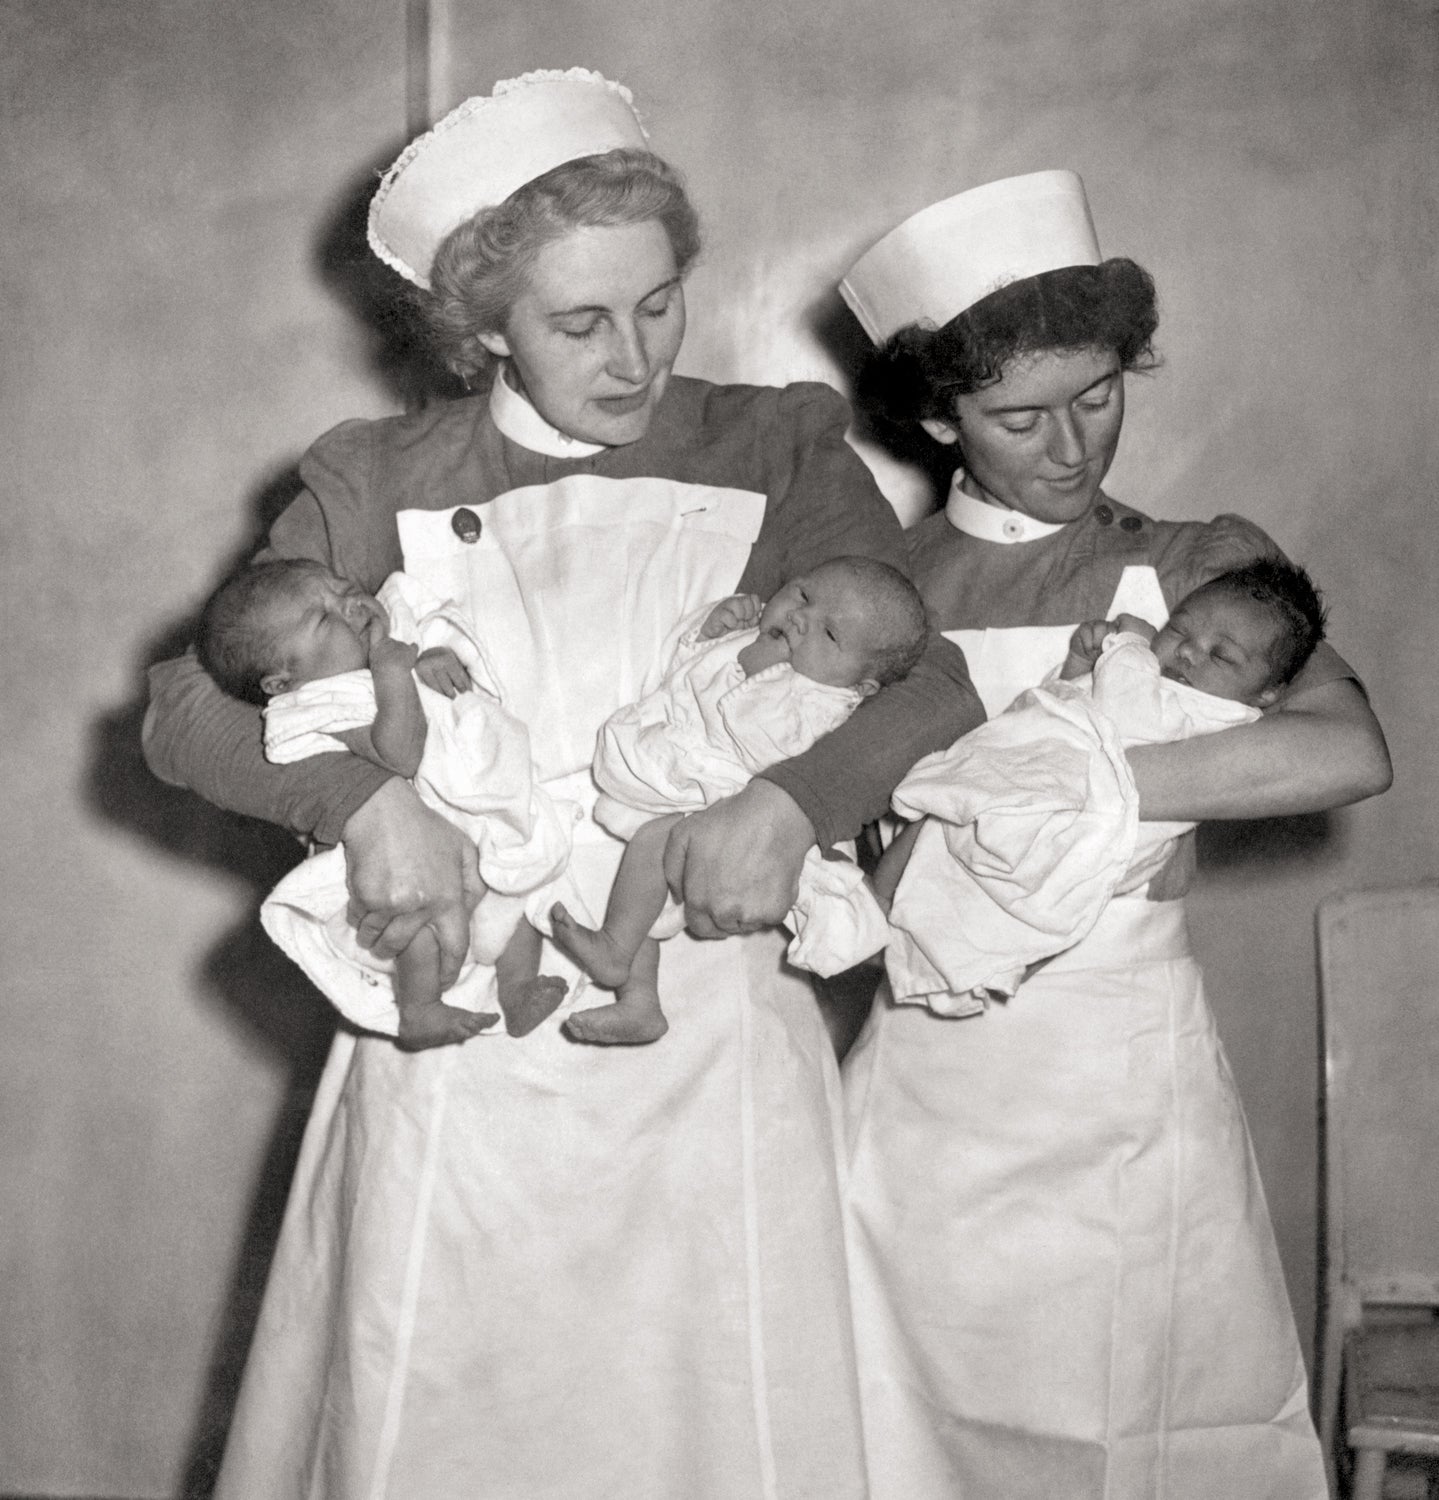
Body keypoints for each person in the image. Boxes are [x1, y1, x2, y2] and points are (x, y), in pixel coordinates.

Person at [142, 69, 981, 1499]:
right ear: (480, 332)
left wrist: (788, 805)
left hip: (711, 1017)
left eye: (658, 303)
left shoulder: (773, 443)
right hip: (463, 1037)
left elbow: (931, 679)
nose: (638, 356)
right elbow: (179, 714)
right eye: (579, 323)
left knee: (726, 1415)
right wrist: (366, 805)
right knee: (448, 1409)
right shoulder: (379, 473)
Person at [836, 170, 1390, 1500]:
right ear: (932, 414)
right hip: (930, 1074)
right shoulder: (875, 591)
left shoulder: (1201, 565)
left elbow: (1342, 750)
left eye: (1097, 394)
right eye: (1018, 416)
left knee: (1147, 1417)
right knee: (896, 1417)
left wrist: (1067, 781)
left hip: (1125, 1073)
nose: (1073, 445)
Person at [879, 556, 1328, 1012]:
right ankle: (891, 916)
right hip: (1056, 810)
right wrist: (1078, 667)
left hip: (1086, 838)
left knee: (974, 853)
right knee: (941, 838)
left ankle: (932, 940)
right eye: (1178, 631)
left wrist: (1131, 643)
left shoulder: (1220, 716)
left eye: (1220, 655)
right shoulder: (1158, 684)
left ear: (1267, 693)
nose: (1188, 652)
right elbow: (1069, 707)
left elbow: (1125, 717)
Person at [195, 558, 573, 1048]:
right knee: (418, 931)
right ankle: (420, 1011)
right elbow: (400, 752)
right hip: (395, 867)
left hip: (467, 820)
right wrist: (395, 671)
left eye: (345, 588)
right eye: (325, 618)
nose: (352, 604)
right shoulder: (320, 703)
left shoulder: (388, 638)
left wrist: (434, 657)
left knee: (521, 890)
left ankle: (518, 988)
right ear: (282, 681)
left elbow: (456, 686)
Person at [553, 555, 926, 1044]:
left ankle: (615, 952)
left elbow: (764, 740)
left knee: (651, 849)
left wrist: (754, 668)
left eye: (829, 635)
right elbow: (679, 675)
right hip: (685, 773)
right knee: (643, 890)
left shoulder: (826, 702)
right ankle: (639, 1000)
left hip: (727, 805)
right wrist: (709, 632)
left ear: (863, 684)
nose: (799, 619)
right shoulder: (773, 645)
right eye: (803, 596)